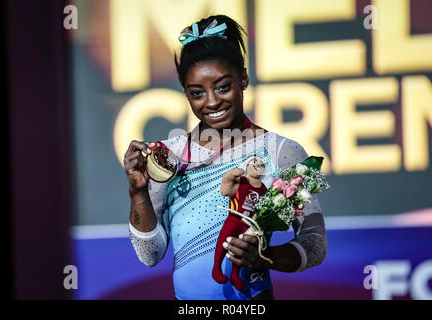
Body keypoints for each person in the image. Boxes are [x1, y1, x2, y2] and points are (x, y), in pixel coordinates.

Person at [124, 15, 327, 300]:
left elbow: (315, 243)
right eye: (197, 93)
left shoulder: (281, 151)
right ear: (186, 93)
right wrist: (137, 192)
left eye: (222, 86)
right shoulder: (167, 157)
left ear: (243, 78)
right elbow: (150, 255)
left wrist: (266, 256)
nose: (212, 101)